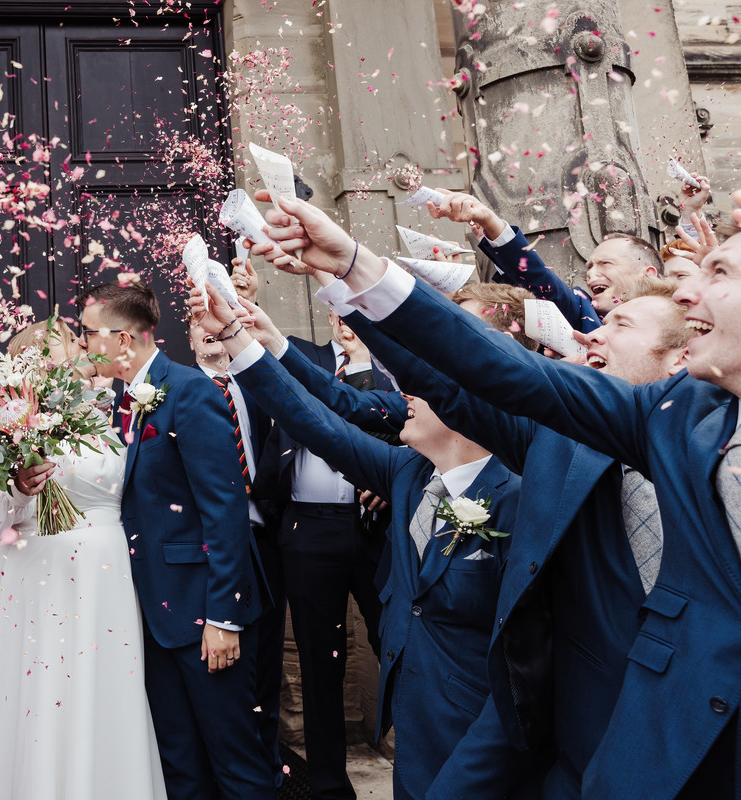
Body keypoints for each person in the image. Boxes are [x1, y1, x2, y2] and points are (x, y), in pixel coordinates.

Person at [251, 188, 741, 798]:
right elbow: (488, 374)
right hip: (598, 757)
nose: (588, 332)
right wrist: (354, 268)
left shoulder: (692, 423)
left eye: (719, 270)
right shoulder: (621, 427)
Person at [191, 281, 543, 799]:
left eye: (424, 388)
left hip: (483, 740)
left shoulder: (524, 496)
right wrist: (242, 342)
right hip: (416, 731)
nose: (406, 398)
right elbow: (315, 423)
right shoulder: (407, 474)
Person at [69, 281, 273, 799]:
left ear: (122, 339)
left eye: (89, 334)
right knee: (179, 763)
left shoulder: (189, 391)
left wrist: (223, 617)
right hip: (148, 617)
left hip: (204, 612)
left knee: (237, 762)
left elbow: (224, 510)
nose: (84, 344)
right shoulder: (116, 401)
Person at [0, 319, 167, 800]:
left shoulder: (106, 414)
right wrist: (18, 485)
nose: (86, 346)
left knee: (105, 689)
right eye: (74, 341)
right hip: (44, 571)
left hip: (107, 576)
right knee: (46, 690)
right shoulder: (15, 417)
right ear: (39, 358)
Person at [242, 311, 385, 800]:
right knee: (321, 663)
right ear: (329, 313)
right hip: (309, 527)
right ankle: (327, 787)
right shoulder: (304, 357)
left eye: (359, 312)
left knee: (398, 646)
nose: (348, 322)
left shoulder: (397, 371)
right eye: (341, 312)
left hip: (376, 528)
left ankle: (424, 765)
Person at [187, 317, 281, 786]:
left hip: (267, 542)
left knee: (264, 671)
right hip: (206, 551)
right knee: (224, 683)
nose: (205, 330)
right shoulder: (178, 394)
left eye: (213, 323)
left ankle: (269, 767)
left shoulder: (259, 390)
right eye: (194, 324)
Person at [426, 188, 663, 332]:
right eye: (589, 266)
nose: (590, 274)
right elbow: (539, 281)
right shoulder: (581, 313)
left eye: (606, 264)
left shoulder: (686, 324)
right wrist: (490, 226)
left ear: (648, 274)